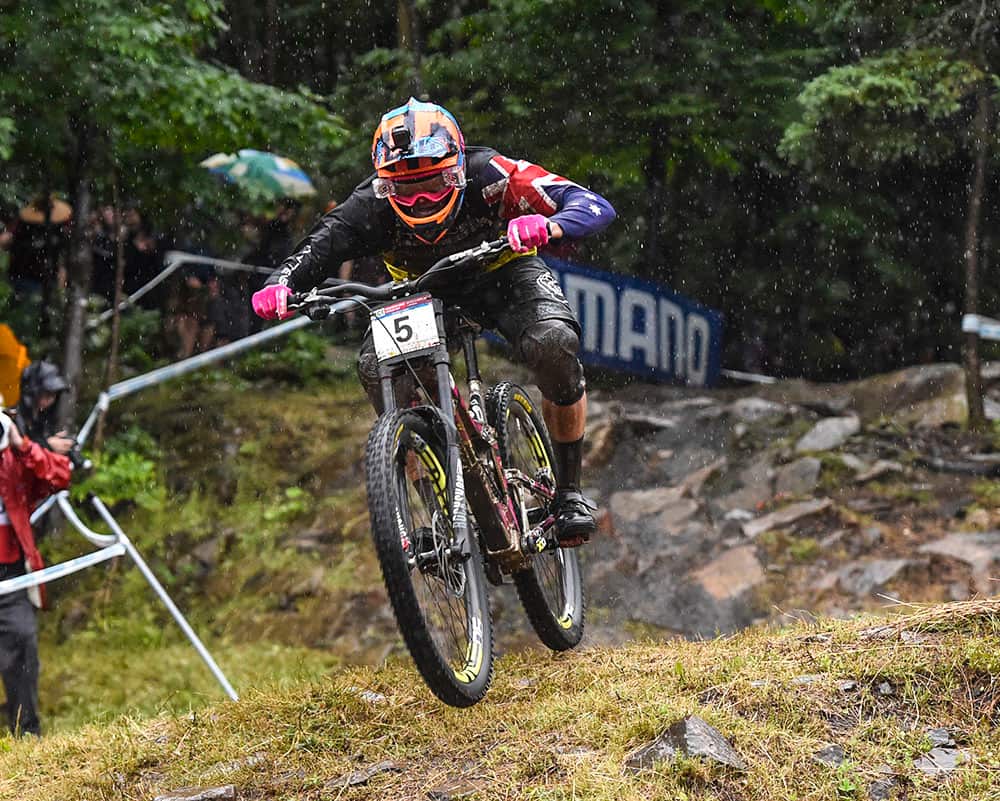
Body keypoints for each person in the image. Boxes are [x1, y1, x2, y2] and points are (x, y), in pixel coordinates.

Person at [252, 98, 615, 545]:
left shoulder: (493, 175)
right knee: (381, 374)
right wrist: (279, 286)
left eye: (434, 182)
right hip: (422, 293)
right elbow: (313, 252)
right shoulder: (366, 206)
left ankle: (570, 492)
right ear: (384, 187)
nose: (421, 199)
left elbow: (592, 204)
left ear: (459, 168)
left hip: (503, 272)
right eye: (405, 190)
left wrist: (551, 225)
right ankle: (440, 506)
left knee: (553, 343)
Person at [0, 410, 72, 736]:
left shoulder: (12, 463)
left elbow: (60, 475)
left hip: (11, 575)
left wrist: (22, 443)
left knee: (22, 644)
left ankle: (26, 732)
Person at [14, 362, 74, 456]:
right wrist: (47, 445)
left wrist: (54, 440)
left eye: (54, 394)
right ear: (33, 392)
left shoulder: (42, 418)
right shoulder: (14, 418)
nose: (51, 399)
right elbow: (17, 451)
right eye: (47, 393)